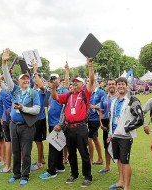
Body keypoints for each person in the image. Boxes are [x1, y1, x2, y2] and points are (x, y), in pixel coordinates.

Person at [51, 57, 94, 187]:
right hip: (68, 128)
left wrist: (90, 66)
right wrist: (53, 88)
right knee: (71, 153)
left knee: (84, 153)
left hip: (80, 127)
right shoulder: (69, 95)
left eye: (77, 82)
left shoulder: (85, 93)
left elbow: (91, 80)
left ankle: (88, 176)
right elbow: (56, 97)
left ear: (83, 84)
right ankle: (74, 174)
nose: (74, 83)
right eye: (73, 82)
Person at [2, 48, 40, 186]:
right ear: (18, 82)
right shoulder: (16, 90)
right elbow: (6, 77)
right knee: (15, 151)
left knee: (26, 153)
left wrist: (23, 108)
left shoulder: (33, 93)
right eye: (22, 79)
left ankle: (25, 176)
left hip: (27, 127)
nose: (25, 80)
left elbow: (37, 110)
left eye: (27, 78)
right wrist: (4, 63)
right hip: (13, 125)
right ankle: (16, 174)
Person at [107, 77, 144, 190]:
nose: (121, 86)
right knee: (118, 160)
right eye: (119, 84)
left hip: (125, 137)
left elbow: (140, 118)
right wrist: (110, 133)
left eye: (123, 84)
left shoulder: (132, 100)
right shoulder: (114, 100)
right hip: (115, 135)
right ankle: (120, 181)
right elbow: (112, 118)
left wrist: (128, 128)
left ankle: (126, 186)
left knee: (125, 161)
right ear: (116, 86)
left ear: (127, 85)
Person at [39, 63, 70, 179]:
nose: (53, 81)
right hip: (51, 122)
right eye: (51, 79)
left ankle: (51, 171)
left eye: (55, 79)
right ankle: (60, 166)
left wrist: (67, 72)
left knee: (53, 146)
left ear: (59, 80)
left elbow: (66, 85)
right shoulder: (50, 90)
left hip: (58, 123)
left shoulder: (63, 90)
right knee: (58, 145)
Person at [98, 79, 117, 173]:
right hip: (106, 125)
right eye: (109, 84)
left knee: (118, 146)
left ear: (116, 85)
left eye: (113, 84)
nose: (111, 86)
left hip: (117, 125)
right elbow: (101, 111)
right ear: (107, 86)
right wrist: (101, 123)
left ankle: (120, 167)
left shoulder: (119, 97)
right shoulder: (104, 98)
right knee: (106, 146)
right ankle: (107, 166)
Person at [88, 82, 105, 165]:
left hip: (96, 119)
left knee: (89, 139)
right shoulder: (88, 92)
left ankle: (90, 159)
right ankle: (100, 159)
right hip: (88, 119)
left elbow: (104, 105)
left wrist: (94, 107)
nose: (89, 85)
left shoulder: (100, 92)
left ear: (95, 83)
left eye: (91, 83)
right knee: (94, 139)